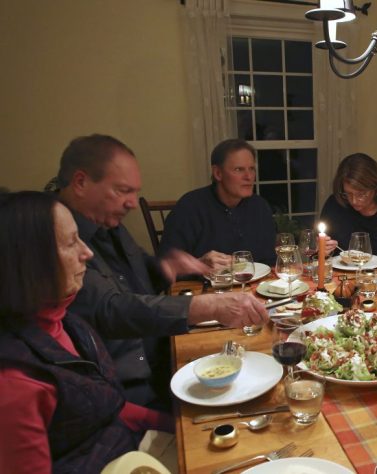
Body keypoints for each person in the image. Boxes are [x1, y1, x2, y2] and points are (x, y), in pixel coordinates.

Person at [56, 134, 268, 408]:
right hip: (124, 391)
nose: (133, 202)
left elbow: (140, 276)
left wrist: (168, 267)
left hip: (162, 357)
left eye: (134, 191)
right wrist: (207, 306)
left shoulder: (107, 223)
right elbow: (110, 309)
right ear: (81, 182)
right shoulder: (54, 233)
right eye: (123, 191)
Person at [0, 191, 173, 473]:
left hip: (130, 451)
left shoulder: (65, 320)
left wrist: (176, 423)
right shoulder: (14, 383)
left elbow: (107, 407)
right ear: (28, 262)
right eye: (71, 243)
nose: (87, 252)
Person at [159, 139, 276, 267]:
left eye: (252, 169)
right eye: (239, 169)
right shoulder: (189, 207)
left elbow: (269, 260)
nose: (248, 176)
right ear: (218, 173)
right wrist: (199, 264)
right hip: (204, 285)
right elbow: (165, 266)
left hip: (254, 285)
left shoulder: (259, 206)